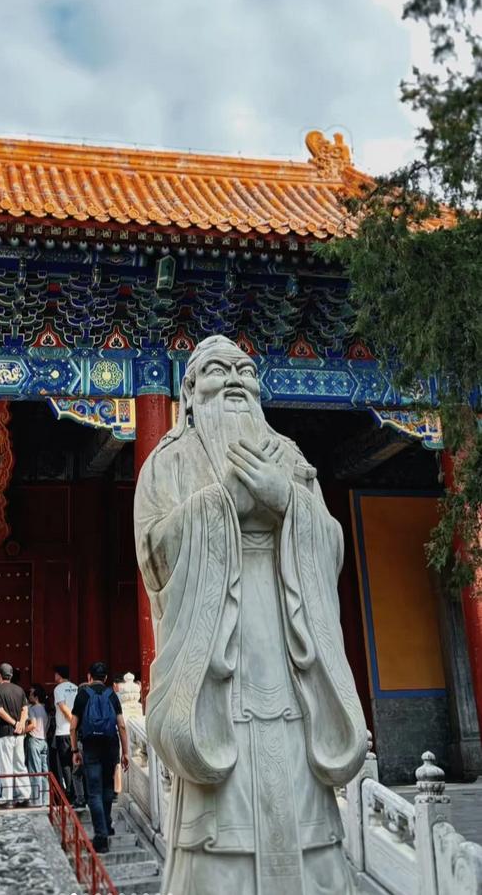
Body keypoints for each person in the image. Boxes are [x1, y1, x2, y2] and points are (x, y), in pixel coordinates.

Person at [134, 334, 367, 894]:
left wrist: (286, 499)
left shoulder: (288, 456)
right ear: (190, 391)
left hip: (290, 665)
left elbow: (332, 545)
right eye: (219, 370)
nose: (237, 379)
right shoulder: (169, 461)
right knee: (218, 849)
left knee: (309, 831)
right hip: (215, 670)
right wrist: (221, 507)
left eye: (246, 370)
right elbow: (153, 554)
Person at [70, 662, 129, 854]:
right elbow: (121, 725)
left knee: (94, 792)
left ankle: (101, 836)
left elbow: (73, 726)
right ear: (105, 678)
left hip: (91, 746)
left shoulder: (82, 694)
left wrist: (74, 751)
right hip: (110, 745)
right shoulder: (111, 694)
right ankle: (107, 824)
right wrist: (125, 752)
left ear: (89, 676)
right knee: (107, 788)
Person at [0, 662, 30, 807]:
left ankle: (7, 797)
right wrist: (21, 723)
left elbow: (0, 711)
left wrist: (14, 723)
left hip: (5, 732)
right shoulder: (20, 690)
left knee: (5, 764)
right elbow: (25, 709)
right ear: (11, 676)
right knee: (20, 763)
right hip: (19, 734)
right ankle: (25, 795)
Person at [52, 666, 84, 807]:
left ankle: (71, 794)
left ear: (58, 675)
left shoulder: (58, 689)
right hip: (76, 731)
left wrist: (72, 723)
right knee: (77, 764)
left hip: (64, 731)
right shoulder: (76, 688)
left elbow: (63, 708)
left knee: (66, 765)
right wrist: (77, 725)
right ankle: (80, 794)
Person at [25, 684, 49, 807]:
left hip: (34, 740)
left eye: (31, 694)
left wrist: (22, 730)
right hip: (44, 741)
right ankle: (46, 800)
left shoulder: (32, 709)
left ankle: (36, 800)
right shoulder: (45, 709)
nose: (29, 696)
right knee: (45, 772)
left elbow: (33, 725)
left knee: (35, 771)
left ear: (36, 697)